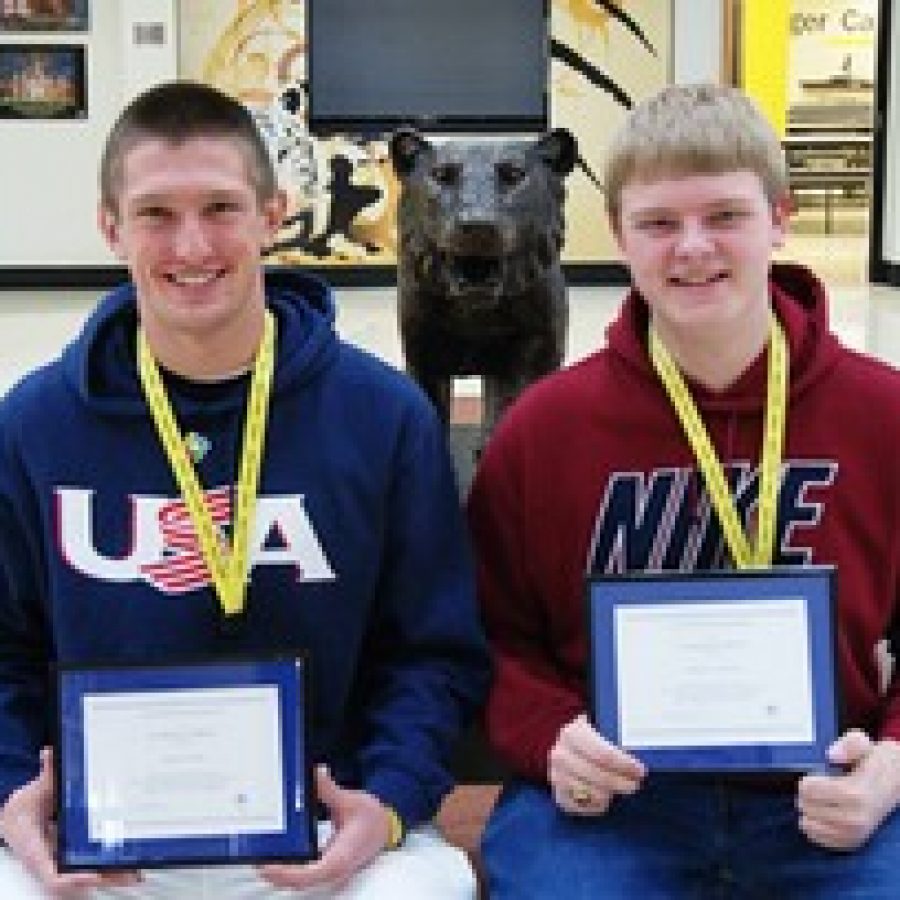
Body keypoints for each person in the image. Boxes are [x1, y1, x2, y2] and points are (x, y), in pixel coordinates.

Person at [0, 80, 490, 898]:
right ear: (110, 227)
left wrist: (389, 803)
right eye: (156, 213)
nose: (191, 245)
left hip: (325, 830)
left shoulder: (382, 414)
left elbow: (431, 653)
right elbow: (4, 653)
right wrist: (15, 792)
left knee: (426, 888)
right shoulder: (32, 425)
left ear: (274, 215)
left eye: (221, 208)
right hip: (97, 837)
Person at [467, 83, 900, 898]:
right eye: (659, 223)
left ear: (780, 218)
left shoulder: (885, 416)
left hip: (831, 797)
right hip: (616, 802)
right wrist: (550, 738)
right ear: (620, 237)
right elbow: (493, 639)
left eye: (725, 217)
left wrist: (892, 766)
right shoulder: (542, 431)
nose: (692, 247)